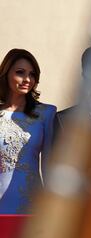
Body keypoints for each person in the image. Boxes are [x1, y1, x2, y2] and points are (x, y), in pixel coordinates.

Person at [0, 49, 56, 213]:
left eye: (32, 74)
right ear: (6, 74)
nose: (27, 79)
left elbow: (49, 165)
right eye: (20, 72)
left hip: (31, 204)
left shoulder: (46, 113)